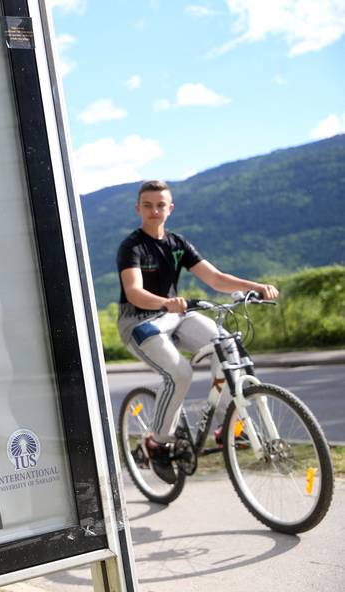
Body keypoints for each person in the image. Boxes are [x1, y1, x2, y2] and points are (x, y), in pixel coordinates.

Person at [116, 180, 278, 484]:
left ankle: (226, 426)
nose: (154, 210)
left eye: (160, 205)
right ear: (138, 208)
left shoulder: (178, 243)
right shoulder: (132, 247)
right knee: (179, 373)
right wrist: (165, 302)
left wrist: (255, 287)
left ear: (170, 209)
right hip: (139, 320)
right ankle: (157, 442)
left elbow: (215, 278)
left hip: (177, 314)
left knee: (228, 345)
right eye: (148, 205)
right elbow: (134, 291)